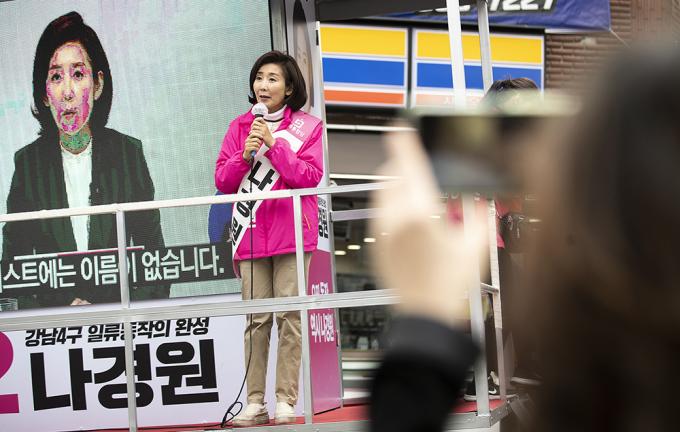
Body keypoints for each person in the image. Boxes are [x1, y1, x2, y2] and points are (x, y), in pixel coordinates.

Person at [369, 46, 680, 432]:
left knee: (501, 306)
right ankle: (492, 374)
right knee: (493, 308)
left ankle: (498, 372)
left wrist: (421, 337)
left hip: (485, 244)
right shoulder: (480, 156)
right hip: (473, 242)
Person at [2, 11, 166, 308]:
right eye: (56, 76)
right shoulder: (28, 165)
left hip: (120, 319)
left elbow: (153, 259)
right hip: (52, 325)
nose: (67, 92)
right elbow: (13, 271)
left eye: (78, 74)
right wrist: (55, 317)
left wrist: (122, 314)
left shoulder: (127, 154)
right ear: (44, 94)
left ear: (98, 84)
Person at [214, 50, 323, 426]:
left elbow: (309, 177)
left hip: (292, 233)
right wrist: (244, 156)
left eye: (273, 78)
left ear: (289, 87)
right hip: (251, 233)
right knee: (256, 319)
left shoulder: (308, 127)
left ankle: (285, 401)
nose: (263, 85)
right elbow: (222, 181)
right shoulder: (239, 127)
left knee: (289, 317)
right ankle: (254, 402)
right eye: (259, 77)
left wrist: (275, 145)